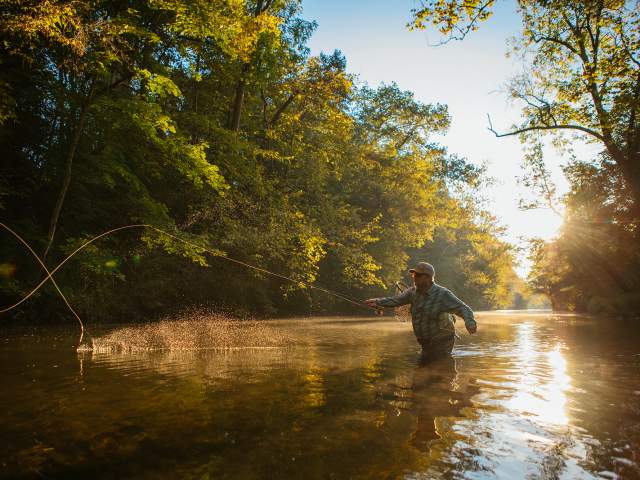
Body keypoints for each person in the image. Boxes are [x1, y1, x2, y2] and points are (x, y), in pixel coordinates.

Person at [365, 262, 477, 359]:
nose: (414, 277)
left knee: (440, 370)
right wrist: (377, 302)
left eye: (417, 275)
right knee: (424, 368)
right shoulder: (412, 292)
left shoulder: (442, 294)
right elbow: (395, 300)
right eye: (414, 274)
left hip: (442, 340)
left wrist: (470, 323)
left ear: (428, 278)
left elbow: (463, 308)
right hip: (425, 342)